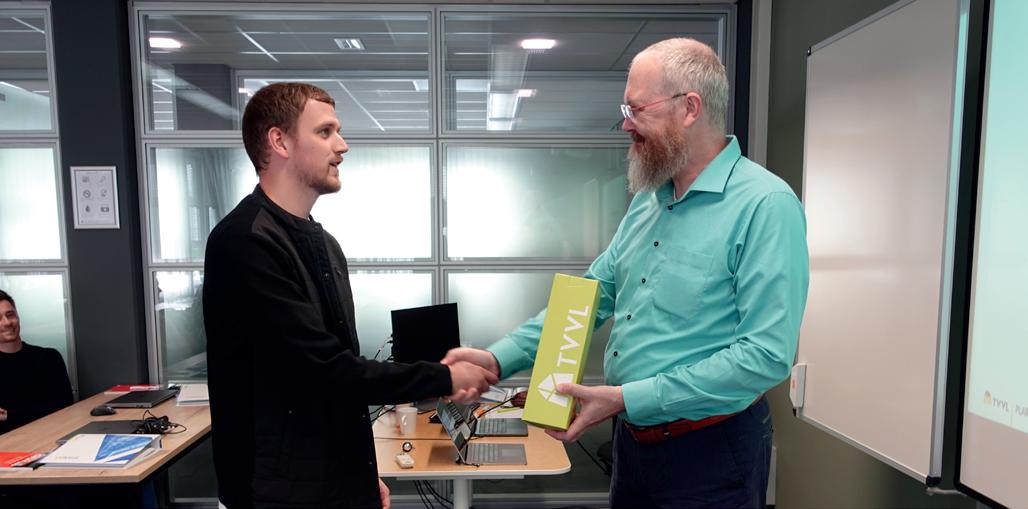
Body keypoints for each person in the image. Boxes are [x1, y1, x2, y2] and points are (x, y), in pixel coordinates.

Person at [443, 38, 809, 508]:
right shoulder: (648, 201)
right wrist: (497, 360)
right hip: (633, 446)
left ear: (689, 108)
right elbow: (590, 297)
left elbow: (765, 355)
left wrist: (627, 398)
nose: (626, 124)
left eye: (637, 109)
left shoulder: (765, 205)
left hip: (712, 452)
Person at [202, 83, 497, 509]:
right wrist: (445, 377)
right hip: (276, 491)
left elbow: (341, 383)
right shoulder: (244, 243)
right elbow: (324, 370)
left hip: (332, 480)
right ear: (279, 141)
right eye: (325, 132)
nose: (342, 146)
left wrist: (360, 470)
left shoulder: (325, 246)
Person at [0, 289, 74, 435]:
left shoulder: (48, 358)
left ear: (18, 315)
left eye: (10, 315)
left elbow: (63, 407)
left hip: (51, 437)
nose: (7, 323)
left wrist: (9, 415)